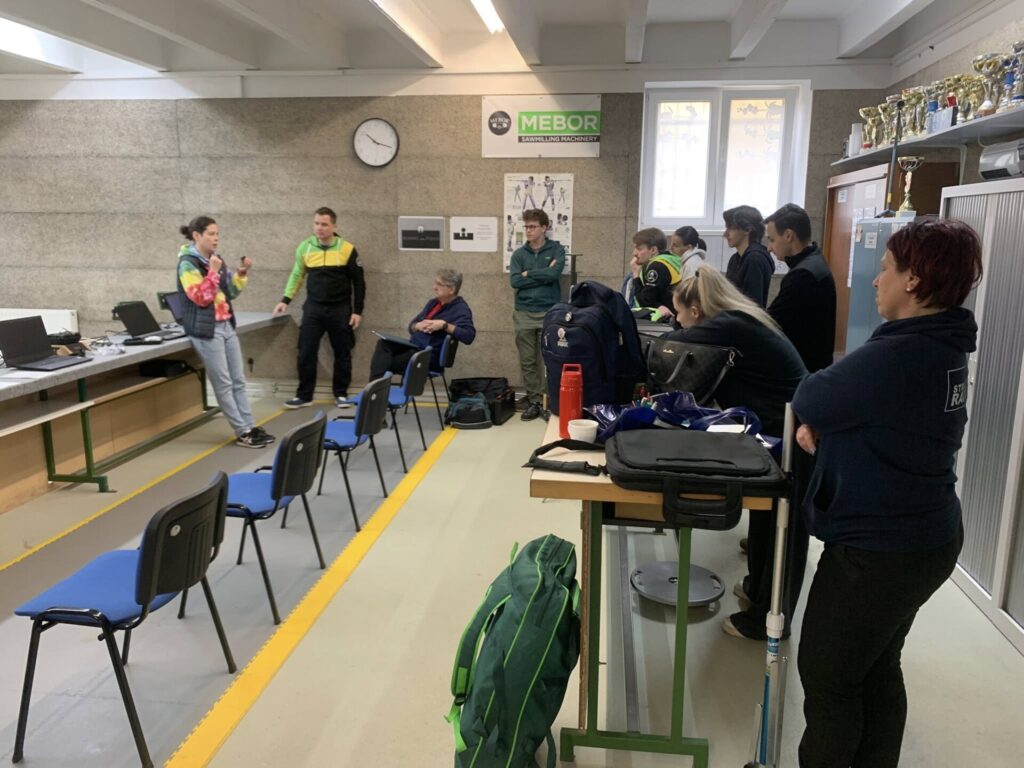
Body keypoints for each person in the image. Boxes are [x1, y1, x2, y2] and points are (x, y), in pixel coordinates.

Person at [791, 218, 982, 768]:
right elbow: (889, 419)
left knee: (829, 681)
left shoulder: (898, 355)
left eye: (885, 270)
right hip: (926, 537)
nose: (876, 281)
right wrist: (833, 425)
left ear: (913, 280)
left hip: (878, 552)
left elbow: (811, 394)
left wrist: (824, 422)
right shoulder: (942, 345)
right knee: (875, 669)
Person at [665, 266, 809, 640]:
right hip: (780, 428)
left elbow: (673, 345)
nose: (678, 320)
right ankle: (759, 591)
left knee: (783, 530)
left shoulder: (727, 324)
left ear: (696, 310)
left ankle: (769, 619)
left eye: (679, 312)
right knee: (766, 517)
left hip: (793, 433)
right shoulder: (738, 318)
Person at [176, 216, 274, 449]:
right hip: (207, 331)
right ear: (197, 236)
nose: (216, 238)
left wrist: (241, 273)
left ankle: (250, 426)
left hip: (227, 325)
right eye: (211, 234)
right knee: (223, 383)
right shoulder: (187, 264)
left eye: (217, 234)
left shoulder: (215, 260)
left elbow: (229, 292)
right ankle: (242, 432)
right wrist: (212, 272)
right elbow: (201, 298)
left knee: (238, 380)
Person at [273, 207, 365, 409]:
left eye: (324, 224)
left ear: (334, 226)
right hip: (314, 308)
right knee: (306, 351)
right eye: (316, 223)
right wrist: (285, 300)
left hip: (340, 309)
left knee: (342, 352)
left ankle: (341, 394)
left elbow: (359, 282)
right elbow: (297, 275)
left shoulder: (347, 249)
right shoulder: (305, 247)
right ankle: (304, 396)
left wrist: (357, 311)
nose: (319, 228)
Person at [765, 203, 836, 372]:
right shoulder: (814, 260)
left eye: (772, 240)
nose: (769, 248)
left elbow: (771, 322)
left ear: (788, 235)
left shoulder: (803, 275)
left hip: (803, 370)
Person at [369, 269, 476, 381]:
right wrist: (417, 326)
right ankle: (375, 388)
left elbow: (469, 336)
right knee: (383, 344)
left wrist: (444, 325)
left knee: (383, 363)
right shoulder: (433, 303)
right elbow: (411, 326)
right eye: (435, 283)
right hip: (413, 346)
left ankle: (375, 388)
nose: (434, 287)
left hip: (428, 355)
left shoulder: (460, 309)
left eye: (439, 284)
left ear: (451, 289)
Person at [509, 208, 565, 422]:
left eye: (533, 226)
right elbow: (515, 281)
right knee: (528, 360)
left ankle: (547, 400)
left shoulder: (557, 250)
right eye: (526, 226)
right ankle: (533, 401)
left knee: (550, 359)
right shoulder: (519, 254)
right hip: (523, 311)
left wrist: (529, 274)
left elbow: (554, 274)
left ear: (544, 228)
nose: (528, 230)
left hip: (549, 311)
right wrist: (542, 274)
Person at [723, 205, 774, 307]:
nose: (725, 234)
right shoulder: (735, 259)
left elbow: (753, 304)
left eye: (731, 228)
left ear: (747, 229)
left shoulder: (755, 258)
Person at [630, 227, 681, 322]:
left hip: (666, 321)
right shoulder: (669, 260)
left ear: (653, 250)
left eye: (639, 249)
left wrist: (636, 274)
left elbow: (645, 301)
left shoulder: (657, 266)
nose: (634, 253)